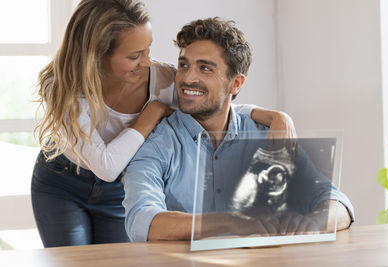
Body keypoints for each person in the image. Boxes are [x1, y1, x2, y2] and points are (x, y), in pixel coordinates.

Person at [31, 0, 296, 248]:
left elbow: (213, 100)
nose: (146, 61)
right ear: (98, 54)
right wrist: (152, 113)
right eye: (135, 55)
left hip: (119, 187)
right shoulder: (63, 88)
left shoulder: (162, 78)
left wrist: (273, 116)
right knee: (71, 261)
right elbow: (107, 166)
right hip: (62, 181)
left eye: (148, 49)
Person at [122, 17, 355, 242]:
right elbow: (141, 221)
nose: (187, 77)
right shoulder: (158, 143)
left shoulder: (268, 137)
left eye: (205, 68)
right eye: (184, 65)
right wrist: (230, 221)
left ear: (236, 83)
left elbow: (336, 201)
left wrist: (316, 222)